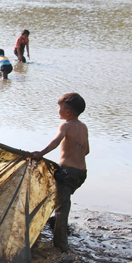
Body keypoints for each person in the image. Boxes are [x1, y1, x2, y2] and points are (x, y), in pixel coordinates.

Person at [30, 93, 89, 252]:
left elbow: (55, 142)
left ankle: (61, 246)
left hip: (66, 173)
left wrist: (40, 154)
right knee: (62, 200)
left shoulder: (65, 126)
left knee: (62, 209)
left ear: (68, 112)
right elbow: (87, 151)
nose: (58, 110)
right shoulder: (83, 127)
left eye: (60, 107)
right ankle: (53, 224)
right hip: (81, 174)